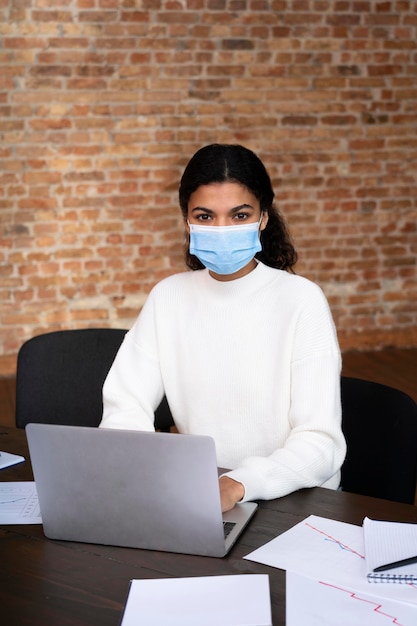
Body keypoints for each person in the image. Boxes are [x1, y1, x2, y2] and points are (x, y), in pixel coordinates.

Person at [100, 143, 346, 512]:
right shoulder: (168, 298)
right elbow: (125, 407)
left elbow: (320, 442)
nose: (221, 229)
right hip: (201, 497)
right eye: (205, 216)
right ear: (187, 219)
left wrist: (237, 484)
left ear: (264, 217)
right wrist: (142, 467)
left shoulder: (302, 301)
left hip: (295, 500)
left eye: (239, 214)